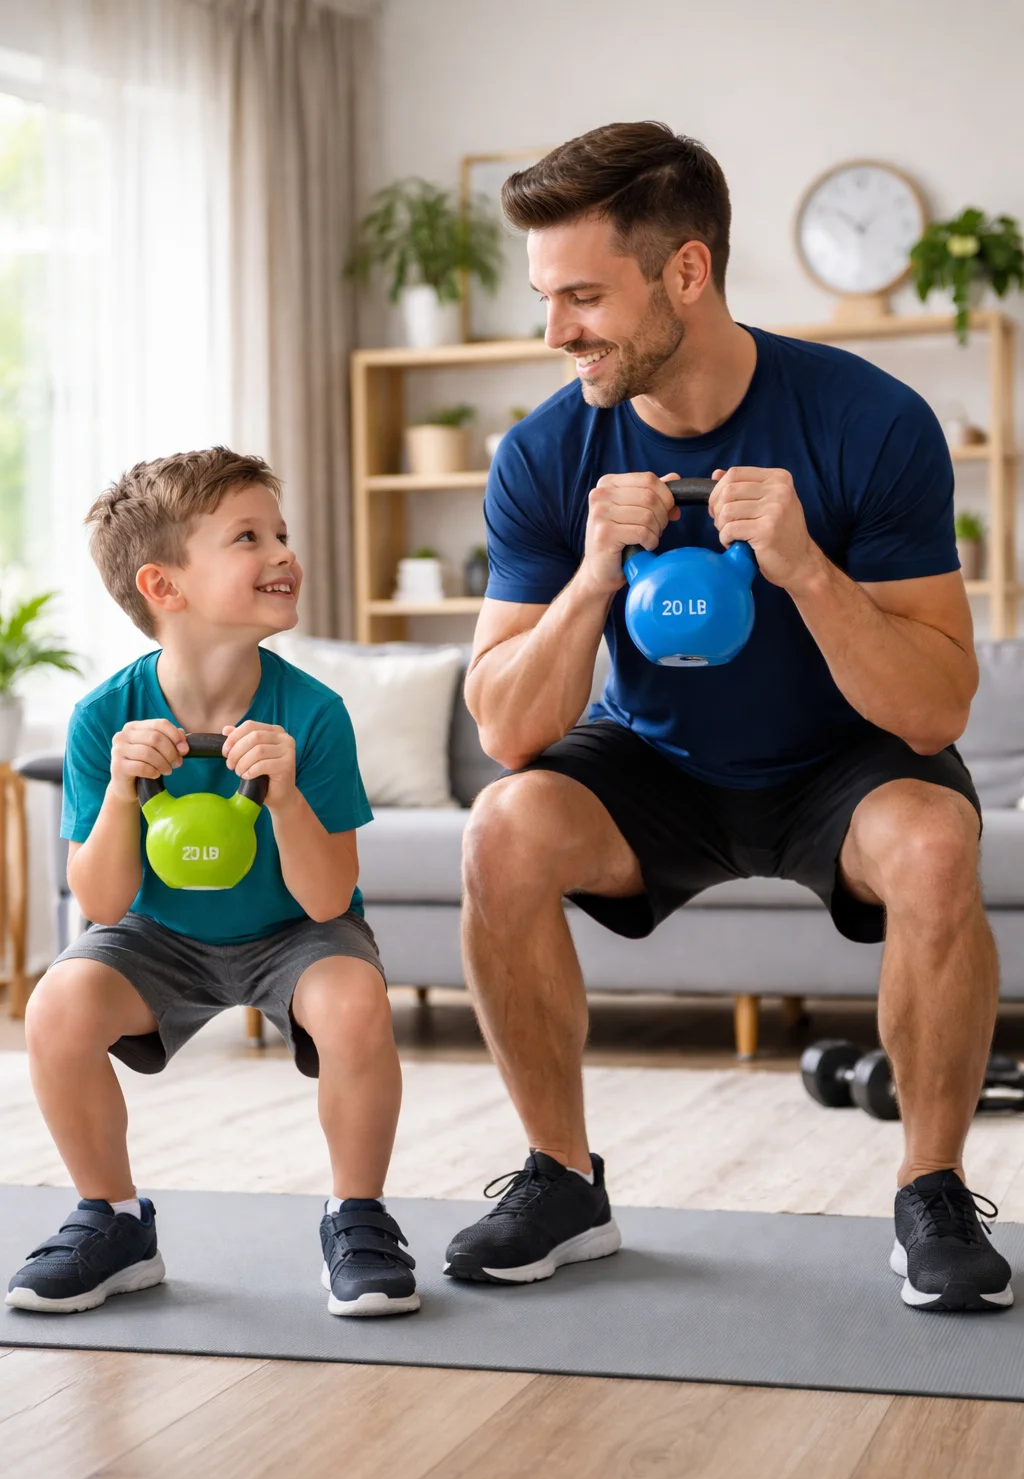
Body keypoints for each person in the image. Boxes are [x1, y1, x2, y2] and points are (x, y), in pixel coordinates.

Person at [444, 122, 1012, 1313]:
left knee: (934, 839)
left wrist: (806, 567)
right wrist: (594, 574)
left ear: (687, 272)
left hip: (840, 761)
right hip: (653, 760)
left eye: (585, 296)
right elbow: (505, 727)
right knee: (501, 827)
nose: (556, 332)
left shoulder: (870, 420)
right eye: (548, 298)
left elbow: (933, 707)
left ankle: (932, 1190)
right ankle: (560, 1181)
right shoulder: (545, 455)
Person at [5, 448, 418, 1319]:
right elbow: (104, 904)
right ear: (165, 585)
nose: (281, 553)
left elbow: (327, 898)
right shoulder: (102, 717)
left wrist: (290, 797)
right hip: (158, 937)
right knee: (56, 1008)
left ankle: (358, 1215)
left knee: (354, 1004)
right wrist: (120, 792)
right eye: (247, 537)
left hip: (296, 932)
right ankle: (113, 1222)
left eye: (281, 533)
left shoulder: (312, 713)